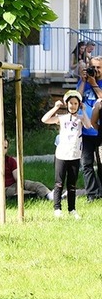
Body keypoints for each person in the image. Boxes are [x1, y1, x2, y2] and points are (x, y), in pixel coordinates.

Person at [41, 90, 92, 219]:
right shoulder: (61, 118)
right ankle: (57, 208)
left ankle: (72, 209)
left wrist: (84, 111)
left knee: (72, 184)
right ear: (66, 104)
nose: (73, 106)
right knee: (59, 183)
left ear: (79, 105)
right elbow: (45, 119)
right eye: (71, 103)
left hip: (75, 155)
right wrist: (55, 108)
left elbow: (88, 125)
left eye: (75, 103)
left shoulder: (80, 119)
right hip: (62, 155)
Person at [0, 137, 52, 201]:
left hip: (15, 184)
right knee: (23, 193)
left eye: (5, 147)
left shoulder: (11, 160)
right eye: (0, 146)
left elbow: (17, 177)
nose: (2, 149)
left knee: (36, 185)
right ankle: (35, 196)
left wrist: (19, 187)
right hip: (2, 188)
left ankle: (50, 196)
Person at [76, 55, 102, 201]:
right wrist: (84, 81)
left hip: (100, 130)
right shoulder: (84, 82)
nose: (95, 70)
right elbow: (77, 99)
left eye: (99, 67)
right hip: (85, 131)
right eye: (93, 67)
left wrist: (94, 84)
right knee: (86, 164)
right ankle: (92, 195)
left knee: (101, 164)